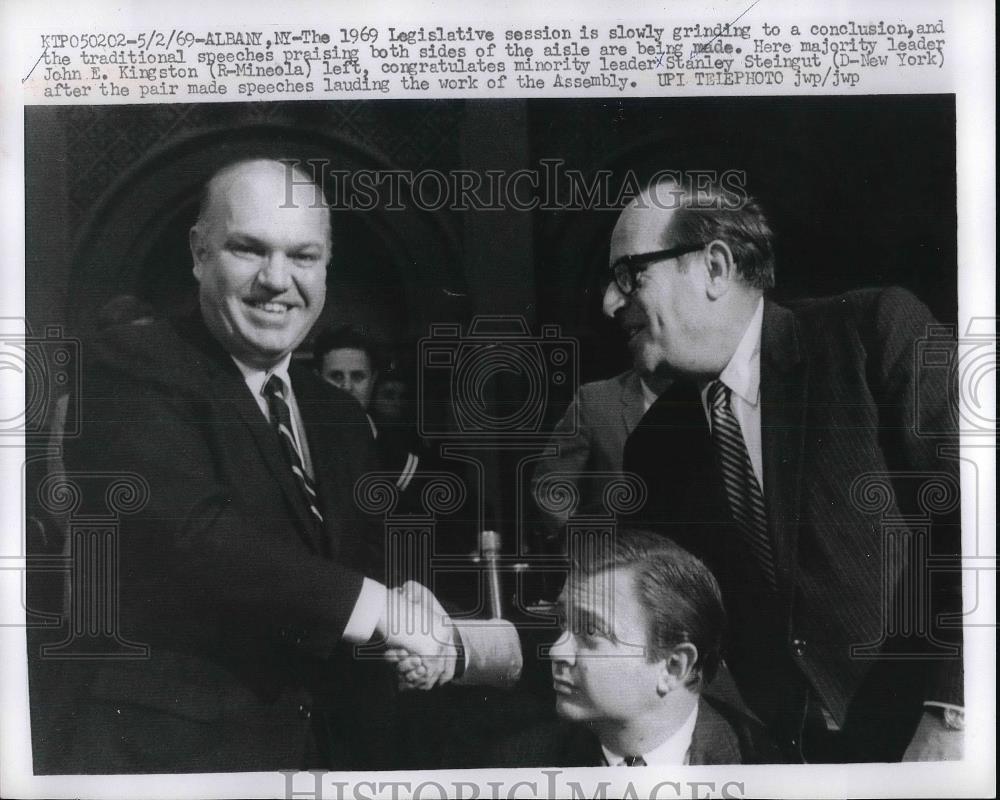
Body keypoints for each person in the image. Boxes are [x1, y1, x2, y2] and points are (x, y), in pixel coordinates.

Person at [40, 159, 455, 773]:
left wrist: (409, 599)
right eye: (249, 249)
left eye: (303, 256)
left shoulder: (337, 413)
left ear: (327, 265)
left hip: (333, 752)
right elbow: (193, 539)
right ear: (199, 253)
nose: (277, 280)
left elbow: (361, 561)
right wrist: (385, 612)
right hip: (179, 759)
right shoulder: (130, 364)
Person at [606, 178, 963, 762]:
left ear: (715, 267)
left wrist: (953, 718)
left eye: (628, 275)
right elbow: (634, 613)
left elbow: (983, 522)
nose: (610, 303)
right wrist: (467, 645)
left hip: (932, 742)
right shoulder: (655, 445)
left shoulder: (872, 336)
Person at [529, 368, 667, 544]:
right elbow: (551, 485)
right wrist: (584, 544)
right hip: (616, 555)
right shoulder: (596, 399)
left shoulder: (709, 397)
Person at [314, 326, 423, 495]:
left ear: (373, 380)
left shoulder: (399, 455)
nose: (347, 387)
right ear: (318, 380)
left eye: (357, 377)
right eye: (336, 376)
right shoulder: (299, 444)